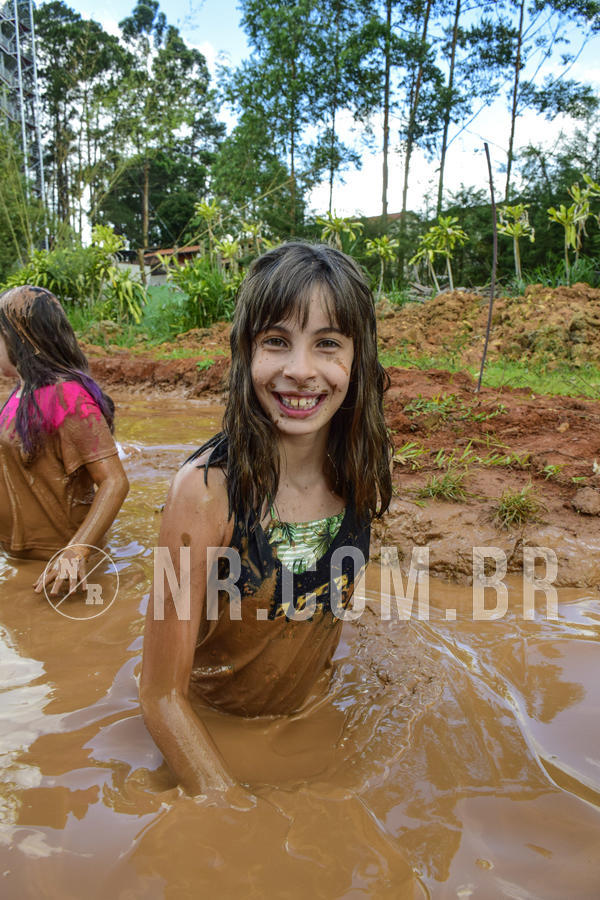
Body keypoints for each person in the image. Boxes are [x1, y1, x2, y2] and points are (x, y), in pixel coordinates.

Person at [140, 242, 392, 799]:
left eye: (327, 344)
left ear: (358, 358)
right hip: (212, 733)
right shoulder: (206, 494)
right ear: (245, 355)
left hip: (311, 718)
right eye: (276, 342)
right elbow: (160, 695)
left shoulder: (359, 474)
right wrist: (231, 809)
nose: (300, 371)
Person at [0, 285, 129, 595]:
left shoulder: (68, 397)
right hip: (19, 562)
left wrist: (76, 551)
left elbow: (115, 482)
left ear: (20, 339)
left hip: (61, 571)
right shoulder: (19, 393)